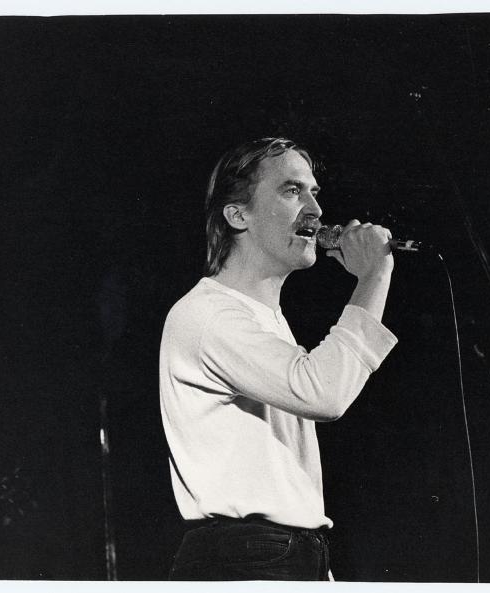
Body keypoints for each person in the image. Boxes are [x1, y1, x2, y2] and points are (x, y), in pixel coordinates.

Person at [159, 137, 397, 580]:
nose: (316, 210)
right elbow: (323, 393)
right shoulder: (209, 315)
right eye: (292, 191)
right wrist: (374, 276)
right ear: (238, 215)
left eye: (314, 193)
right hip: (247, 558)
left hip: (288, 554)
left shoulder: (263, 319)